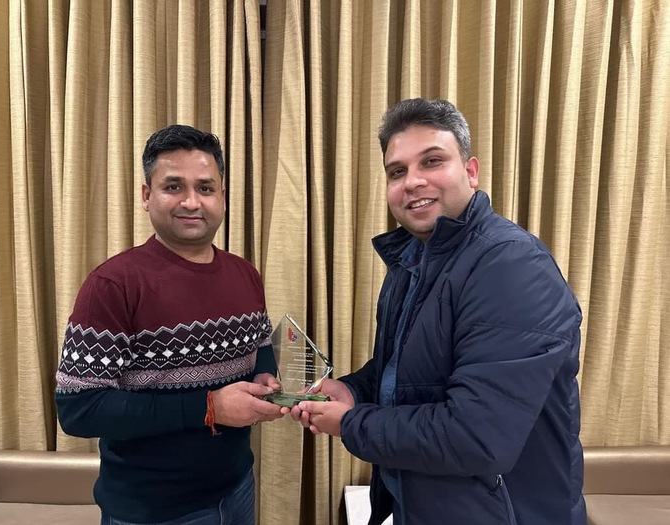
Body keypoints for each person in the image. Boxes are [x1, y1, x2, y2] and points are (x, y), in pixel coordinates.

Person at [293, 99, 586, 524]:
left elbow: (478, 436)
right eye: (397, 171)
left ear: (470, 171)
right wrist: (355, 390)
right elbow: (407, 370)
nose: (413, 181)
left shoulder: (510, 266)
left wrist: (353, 422)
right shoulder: (415, 258)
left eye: (432, 161)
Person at [56, 125, 288, 525]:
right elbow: (80, 409)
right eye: (174, 187)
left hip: (237, 489)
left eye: (206, 188)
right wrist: (209, 407)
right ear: (147, 196)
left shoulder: (245, 274)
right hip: (152, 510)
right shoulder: (113, 285)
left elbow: (260, 345)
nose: (192, 202)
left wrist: (266, 376)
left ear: (223, 197)